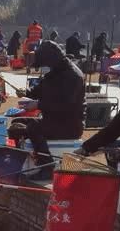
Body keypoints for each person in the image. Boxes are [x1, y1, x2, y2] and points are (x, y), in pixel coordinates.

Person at [10, 41, 85, 180]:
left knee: (33, 127)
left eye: (45, 63)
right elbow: (40, 91)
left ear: (51, 59)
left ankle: (47, 166)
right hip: (53, 120)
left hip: (70, 125)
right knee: (17, 122)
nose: (45, 67)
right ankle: (21, 160)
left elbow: (66, 106)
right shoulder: (55, 72)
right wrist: (26, 93)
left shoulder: (73, 76)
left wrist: (38, 105)